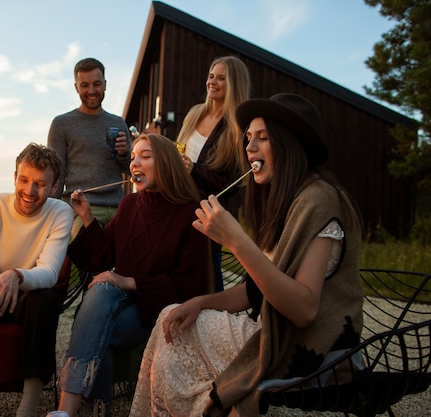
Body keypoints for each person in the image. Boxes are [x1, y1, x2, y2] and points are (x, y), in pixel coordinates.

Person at [130, 94, 364, 417]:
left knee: (172, 333)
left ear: (290, 143)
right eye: (248, 139)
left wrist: (236, 241)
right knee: (175, 319)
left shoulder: (319, 200)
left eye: (263, 138)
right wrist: (199, 302)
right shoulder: (287, 202)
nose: (250, 147)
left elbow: (304, 309)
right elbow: (256, 290)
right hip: (277, 334)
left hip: (306, 348)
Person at [55, 133, 212, 417]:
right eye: (132, 158)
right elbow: (104, 256)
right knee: (101, 295)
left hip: (156, 311)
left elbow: (189, 286)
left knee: (93, 326)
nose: (135, 163)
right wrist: (88, 218)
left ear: (165, 163)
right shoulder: (128, 206)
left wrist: (128, 281)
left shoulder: (190, 213)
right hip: (119, 301)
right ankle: (73, 411)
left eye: (145, 156)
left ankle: (75, 409)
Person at [0, 143, 73, 417]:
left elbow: (49, 271)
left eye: (40, 184)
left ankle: (28, 406)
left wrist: (16, 275)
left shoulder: (60, 213)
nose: (30, 191)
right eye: (23, 180)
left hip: (28, 295)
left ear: (54, 186)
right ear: (14, 177)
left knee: (45, 298)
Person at [176, 56, 251, 291]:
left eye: (221, 78)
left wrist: (193, 170)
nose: (213, 82)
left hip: (207, 217)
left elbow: (234, 184)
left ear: (234, 84)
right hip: (178, 205)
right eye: (211, 76)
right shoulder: (195, 113)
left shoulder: (238, 127)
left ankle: (215, 321)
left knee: (208, 279)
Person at [47, 57, 132, 237]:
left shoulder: (118, 123)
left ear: (105, 85)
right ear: (76, 87)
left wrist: (124, 154)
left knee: (126, 261)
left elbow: (131, 171)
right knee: (82, 262)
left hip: (119, 208)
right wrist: (49, 212)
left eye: (97, 84)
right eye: (84, 85)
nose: (92, 90)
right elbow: (55, 173)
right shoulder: (62, 124)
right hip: (81, 207)